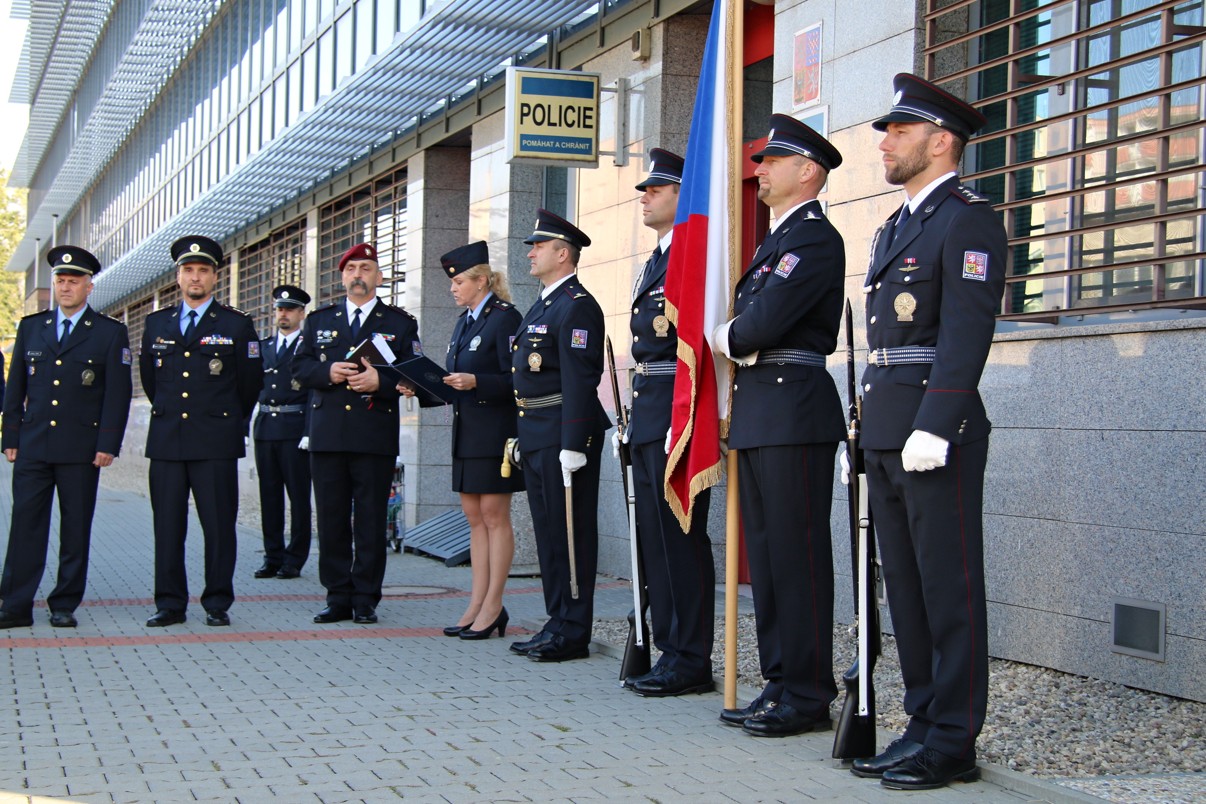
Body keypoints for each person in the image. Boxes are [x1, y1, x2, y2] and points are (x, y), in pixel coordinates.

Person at [849, 73, 1006, 791]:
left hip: (933, 431)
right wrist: (866, 427)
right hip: (889, 427)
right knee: (906, 592)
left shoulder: (965, 219)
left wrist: (937, 422)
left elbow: (967, 331)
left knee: (948, 589)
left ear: (941, 141)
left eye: (900, 131)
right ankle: (920, 721)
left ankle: (953, 740)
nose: (886, 143)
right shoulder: (898, 224)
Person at [711, 115, 846, 736]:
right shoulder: (778, 239)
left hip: (793, 409)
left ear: (807, 171)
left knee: (798, 556)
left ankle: (810, 692)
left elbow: (760, 326)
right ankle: (780, 679)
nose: (758, 169)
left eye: (772, 161)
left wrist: (723, 336)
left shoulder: (813, 239)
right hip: (763, 409)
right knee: (766, 560)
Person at [619, 150, 715, 696]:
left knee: (680, 537)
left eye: (657, 189)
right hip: (649, 409)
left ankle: (690, 657)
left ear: (683, 194)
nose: (646, 197)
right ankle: (668, 649)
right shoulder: (656, 259)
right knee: (654, 540)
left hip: (678, 411)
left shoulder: (690, 253)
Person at [0, 246, 133, 629]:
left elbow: (117, 394)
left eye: (74, 281)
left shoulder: (109, 332)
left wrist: (107, 444)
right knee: (25, 525)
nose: (65, 287)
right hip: (33, 445)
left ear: (89, 286)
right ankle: (15, 604)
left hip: (81, 448)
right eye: (60, 280)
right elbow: (15, 387)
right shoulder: (31, 327)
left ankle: (64, 603)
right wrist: (10, 435)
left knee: (75, 527)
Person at [292, 242, 420, 625]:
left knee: (370, 520)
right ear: (342, 277)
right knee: (331, 519)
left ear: (378, 276)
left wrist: (382, 382)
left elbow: (416, 374)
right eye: (351, 269)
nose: (358, 275)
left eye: (365, 268)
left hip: (373, 435)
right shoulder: (319, 320)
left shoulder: (399, 323)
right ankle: (337, 597)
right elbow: (299, 367)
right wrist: (327, 372)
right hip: (328, 435)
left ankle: (365, 598)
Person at [140, 236, 262, 627]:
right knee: (167, 527)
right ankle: (169, 604)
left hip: (215, 442)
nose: (196, 277)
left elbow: (249, 384)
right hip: (167, 441)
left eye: (203, 270)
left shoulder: (236, 324)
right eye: (189, 270)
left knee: (219, 527)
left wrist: (224, 421)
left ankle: (216, 602)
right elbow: (150, 380)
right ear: (178, 277)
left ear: (215, 277)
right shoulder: (156, 323)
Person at [507, 209, 610, 663]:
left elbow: (580, 378)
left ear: (563, 253)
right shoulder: (545, 303)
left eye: (539, 246)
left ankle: (574, 629)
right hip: (536, 432)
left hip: (562, 434)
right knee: (549, 534)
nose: (531, 253)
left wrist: (573, 443)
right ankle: (557, 619)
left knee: (571, 532)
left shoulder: (577, 305)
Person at [410, 241, 524, 640]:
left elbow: (518, 379)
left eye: (459, 281)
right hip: (466, 432)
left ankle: (493, 604)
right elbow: (452, 381)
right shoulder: (465, 322)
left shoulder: (505, 318)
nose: (453, 288)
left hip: (494, 432)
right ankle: (477, 603)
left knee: (494, 516)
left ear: (481, 280)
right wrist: (417, 386)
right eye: (452, 282)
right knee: (474, 518)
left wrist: (478, 381)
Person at [252, 285, 313, 580]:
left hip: (294, 429)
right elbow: (249, 386)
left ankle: (294, 559)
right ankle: (272, 556)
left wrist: (309, 431)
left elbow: (313, 392)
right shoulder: (263, 347)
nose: (283, 314)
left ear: (301, 314)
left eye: (289, 310)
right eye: (279, 309)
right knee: (269, 496)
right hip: (266, 427)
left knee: (298, 498)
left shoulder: (307, 348)